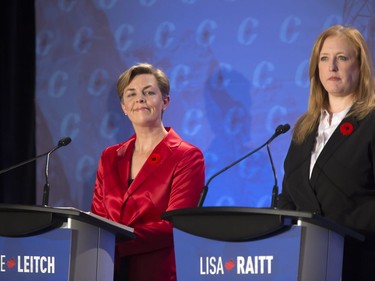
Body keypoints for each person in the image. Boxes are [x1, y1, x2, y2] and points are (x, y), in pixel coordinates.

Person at [277, 24, 375, 281]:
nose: (332, 67)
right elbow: (289, 195)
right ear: (316, 68)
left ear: (360, 66)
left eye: (341, 58)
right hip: (307, 264)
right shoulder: (304, 127)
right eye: (324, 59)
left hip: (361, 263)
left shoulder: (371, 122)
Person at [91, 63, 205, 281]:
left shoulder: (187, 156)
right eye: (131, 94)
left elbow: (176, 225)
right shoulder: (109, 157)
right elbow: (98, 217)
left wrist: (116, 240)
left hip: (156, 272)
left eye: (149, 92)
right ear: (124, 107)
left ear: (165, 102)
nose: (139, 99)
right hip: (107, 270)